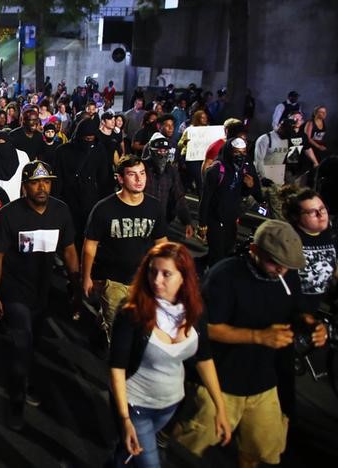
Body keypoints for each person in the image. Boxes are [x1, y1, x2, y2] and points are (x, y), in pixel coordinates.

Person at [172, 220, 328, 468]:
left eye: (286, 266)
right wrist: (258, 336)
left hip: (264, 383)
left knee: (259, 449)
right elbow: (206, 328)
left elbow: (296, 310)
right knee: (190, 446)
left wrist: (312, 325)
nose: (281, 271)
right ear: (254, 251)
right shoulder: (225, 275)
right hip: (220, 381)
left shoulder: (286, 274)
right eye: (274, 262)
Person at [110, 242, 231, 467]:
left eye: (166, 274)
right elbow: (117, 367)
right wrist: (124, 418)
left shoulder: (195, 311)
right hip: (136, 405)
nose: (156, 280)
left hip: (170, 405)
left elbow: (204, 358)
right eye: (152, 271)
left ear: (184, 277)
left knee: (127, 451)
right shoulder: (132, 312)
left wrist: (220, 407)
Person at [0, 160, 80, 430]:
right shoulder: (9, 215)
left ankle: (27, 380)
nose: (42, 187)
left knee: (33, 344)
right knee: (22, 343)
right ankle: (16, 400)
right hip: (15, 291)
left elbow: (70, 250)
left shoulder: (61, 212)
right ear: (25, 186)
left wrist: (75, 287)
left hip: (43, 291)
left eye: (47, 182)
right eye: (36, 182)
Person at [81, 155, 168, 332]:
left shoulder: (154, 206)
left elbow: (161, 241)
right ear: (120, 178)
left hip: (142, 278)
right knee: (117, 329)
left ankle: (100, 326)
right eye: (132, 174)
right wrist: (86, 277)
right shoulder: (104, 208)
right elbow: (90, 245)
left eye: (142, 173)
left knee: (142, 325)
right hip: (112, 280)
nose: (139, 179)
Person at [198, 138, 263, 266]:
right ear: (229, 152)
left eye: (243, 152)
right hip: (215, 219)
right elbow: (205, 199)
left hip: (231, 218)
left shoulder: (242, 168)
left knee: (228, 251)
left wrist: (248, 186)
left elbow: (239, 193)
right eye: (237, 152)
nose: (241, 156)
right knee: (217, 255)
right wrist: (202, 224)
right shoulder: (215, 170)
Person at [53, 117, 113, 250]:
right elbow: (57, 180)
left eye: (92, 138)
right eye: (86, 138)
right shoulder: (62, 151)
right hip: (68, 201)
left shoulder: (99, 150)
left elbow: (104, 178)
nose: (89, 141)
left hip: (91, 201)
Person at [282, 188, 336, 314]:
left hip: (315, 310)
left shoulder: (330, 235)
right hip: (288, 313)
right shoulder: (287, 239)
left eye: (322, 209)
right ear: (296, 217)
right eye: (312, 212)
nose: (321, 214)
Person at [143, 134, 194, 239]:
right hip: (142, 219)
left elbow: (178, 196)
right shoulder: (141, 168)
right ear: (151, 151)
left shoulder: (171, 171)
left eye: (165, 151)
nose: (162, 154)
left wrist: (187, 221)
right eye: (159, 151)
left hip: (162, 219)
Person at [0, 130, 29, 202]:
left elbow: (26, 180)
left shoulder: (22, 156)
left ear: (8, 141)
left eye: (0, 141)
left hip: (17, 202)